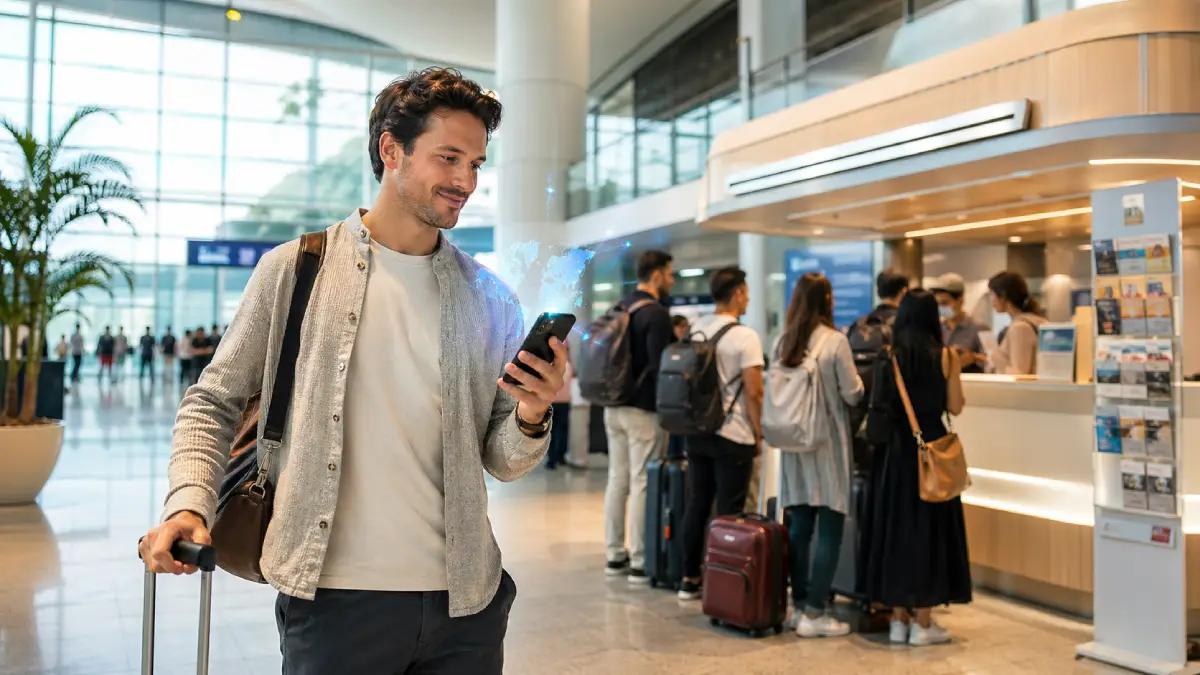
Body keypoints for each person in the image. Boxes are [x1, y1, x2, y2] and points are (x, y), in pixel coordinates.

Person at [139, 67, 563, 675]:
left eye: (476, 163)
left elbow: (501, 458)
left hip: (467, 604)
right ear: (391, 149)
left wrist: (531, 413)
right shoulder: (297, 269)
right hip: (336, 602)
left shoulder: (488, 296)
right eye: (449, 158)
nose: (466, 180)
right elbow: (215, 399)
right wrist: (189, 505)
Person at [860, 289, 970, 646]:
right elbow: (955, 406)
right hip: (932, 452)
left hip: (894, 455)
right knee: (930, 534)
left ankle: (897, 620)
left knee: (895, 532)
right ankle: (923, 624)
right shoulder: (947, 356)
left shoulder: (887, 356)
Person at [769, 272, 864, 636]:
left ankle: (799, 607)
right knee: (830, 525)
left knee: (800, 526)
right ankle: (815, 613)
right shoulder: (835, 342)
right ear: (827, 301)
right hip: (827, 442)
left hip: (794, 443)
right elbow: (853, 392)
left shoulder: (784, 341)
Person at [677, 268, 765, 601]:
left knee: (697, 503)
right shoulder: (745, 336)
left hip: (698, 431)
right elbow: (755, 392)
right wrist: (759, 434)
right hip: (734, 433)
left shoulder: (695, 329)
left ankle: (689, 578)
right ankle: (722, 581)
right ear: (739, 293)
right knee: (729, 511)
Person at [603, 249, 675, 584]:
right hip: (642, 410)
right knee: (642, 481)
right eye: (670, 273)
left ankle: (614, 553)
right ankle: (641, 560)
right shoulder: (656, 314)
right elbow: (661, 367)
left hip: (612, 406)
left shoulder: (619, 307)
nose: (672, 280)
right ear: (657, 274)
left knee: (618, 480)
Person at [987, 271, 1047, 375]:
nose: (992, 302)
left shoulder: (1020, 327)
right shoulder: (1036, 320)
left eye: (993, 295)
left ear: (1003, 296)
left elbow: (1019, 373)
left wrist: (995, 357)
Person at [930, 273, 988, 374]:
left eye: (944, 303)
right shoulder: (936, 328)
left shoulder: (980, 328)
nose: (940, 308)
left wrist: (973, 358)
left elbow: (994, 360)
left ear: (960, 301)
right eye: (937, 304)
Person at [545, 343, 574, 470]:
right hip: (564, 402)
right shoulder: (568, 365)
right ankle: (560, 457)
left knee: (551, 431)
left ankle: (552, 459)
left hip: (551, 402)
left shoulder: (548, 366)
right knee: (561, 431)